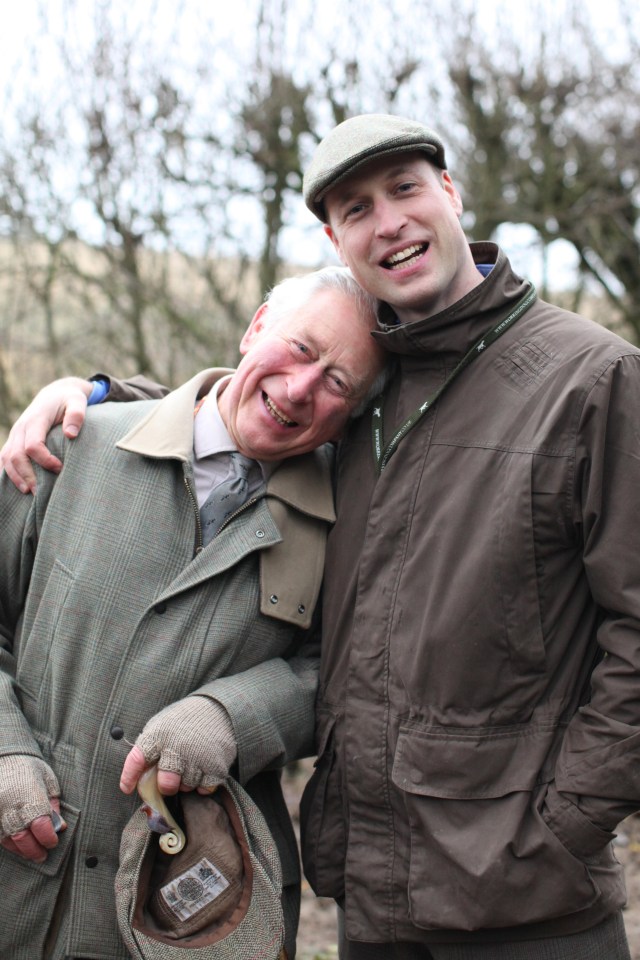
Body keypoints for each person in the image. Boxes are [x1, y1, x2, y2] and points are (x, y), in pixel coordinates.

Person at [4, 114, 640, 960]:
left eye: (408, 189)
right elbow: (228, 421)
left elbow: (337, 659)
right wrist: (87, 393)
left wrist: (565, 822)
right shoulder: (86, 452)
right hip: (366, 898)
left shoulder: (586, 381)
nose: (390, 221)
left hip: (521, 896)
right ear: (328, 248)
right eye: (355, 208)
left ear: (452, 193)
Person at [0, 264, 386, 960]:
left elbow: (349, 673)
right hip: (19, 871)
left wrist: (235, 714)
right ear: (255, 327)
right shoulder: (73, 446)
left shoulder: (350, 522)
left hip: (194, 902)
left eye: (338, 383)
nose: (300, 389)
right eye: (301, 348)